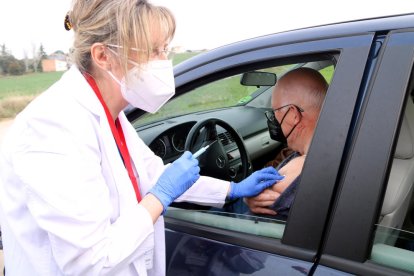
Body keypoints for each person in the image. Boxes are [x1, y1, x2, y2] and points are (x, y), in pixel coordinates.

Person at [0, 1, 283, 275]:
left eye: (165, 50)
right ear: (103, 55)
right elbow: (89, 262)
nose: (164, 63)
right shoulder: (52, 127)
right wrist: (158, 199)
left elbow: (153, 175)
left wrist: (231, 190)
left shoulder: (112, 114)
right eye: (152, 51)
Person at [245, 67, 328, 220]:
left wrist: (245, 197)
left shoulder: (287, 180)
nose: (274, 120)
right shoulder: (340, 144)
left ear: (293, 115)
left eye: (274, 112)